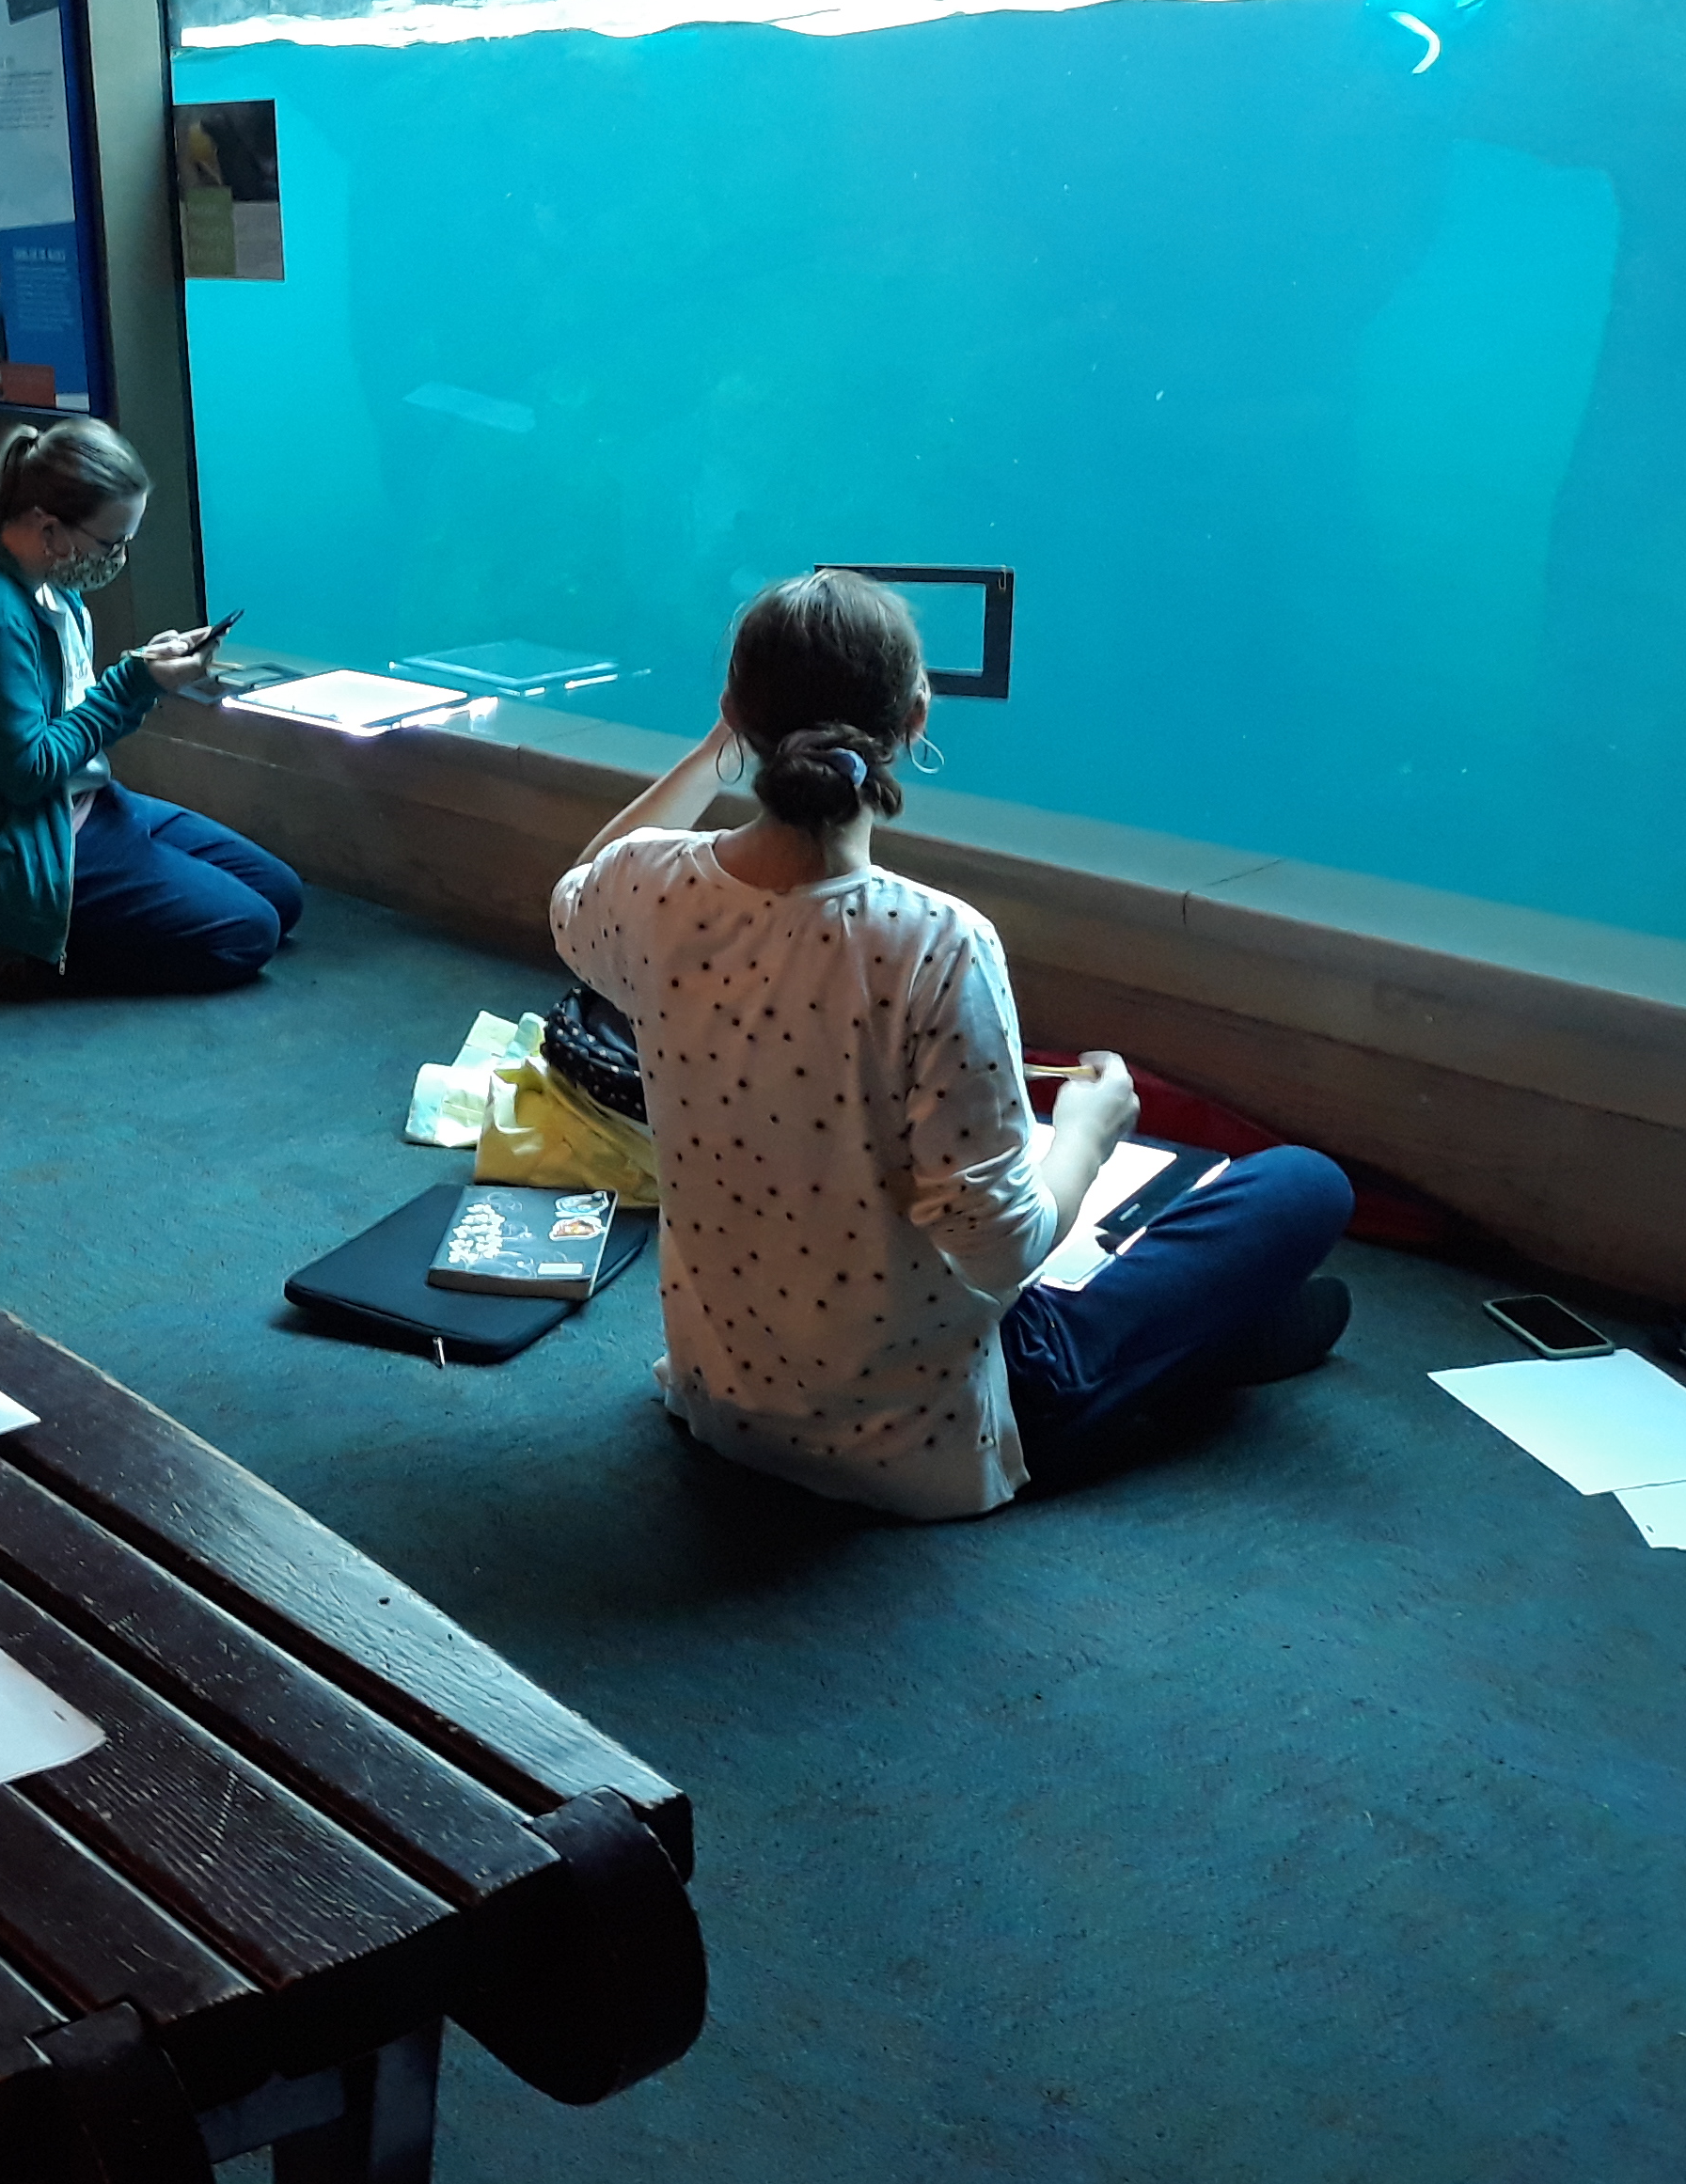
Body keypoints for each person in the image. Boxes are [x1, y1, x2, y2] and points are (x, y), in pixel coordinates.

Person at [548, 569, 1350, 1517]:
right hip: (921, 1439)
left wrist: (724, 738)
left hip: (728, 1400)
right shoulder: (938, 943)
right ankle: (1193, 1354)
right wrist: (1090, 1131)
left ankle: (1210, 1343)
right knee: (1307, 1186)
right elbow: (1002, 1253)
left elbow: (580, 888)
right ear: (917, 716)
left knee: (1249, 1278)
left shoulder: (647, 892)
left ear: (732, 715)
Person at [0, 416, 305, 996]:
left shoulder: (51, 582)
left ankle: (51, 927)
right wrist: (133, 685)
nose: (120, 556)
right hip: (19, 844)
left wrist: (144, 675)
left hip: (82, 804)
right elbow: (26, 771)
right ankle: (13, 947)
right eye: (113, 541)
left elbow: (65, 716)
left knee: (282, 895)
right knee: (245, 935)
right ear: (49, 527)